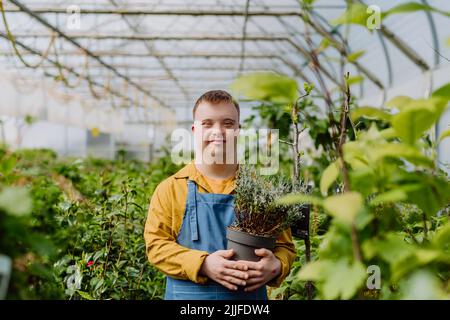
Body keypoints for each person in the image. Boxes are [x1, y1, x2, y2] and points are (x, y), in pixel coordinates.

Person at [144, 90, 296, 300]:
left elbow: (285, 247)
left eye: (227, 123)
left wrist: (276, 266)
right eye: (208, 123)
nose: (218, 132)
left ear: (238, 130)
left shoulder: (264, 193)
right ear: (195, 130)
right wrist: (203, 264)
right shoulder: (170, 189)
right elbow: (156, 247)